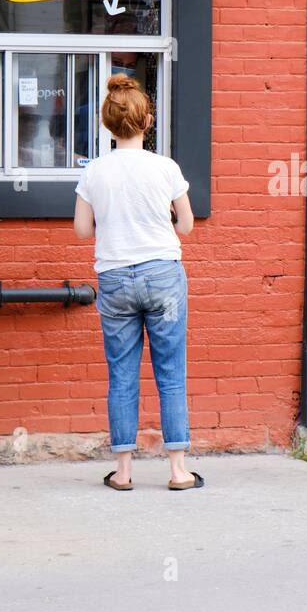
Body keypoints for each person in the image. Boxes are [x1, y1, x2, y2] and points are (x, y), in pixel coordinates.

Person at [73, 74, 198, 490]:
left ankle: (123, 472)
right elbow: (186, 225)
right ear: (147, 123)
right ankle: (179, 470)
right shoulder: (165, 167)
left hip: (114, 277)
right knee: (171, 372)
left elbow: (82, 230)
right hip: (163, 273)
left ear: (108, 125)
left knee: (122, 375)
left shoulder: (94, 171)